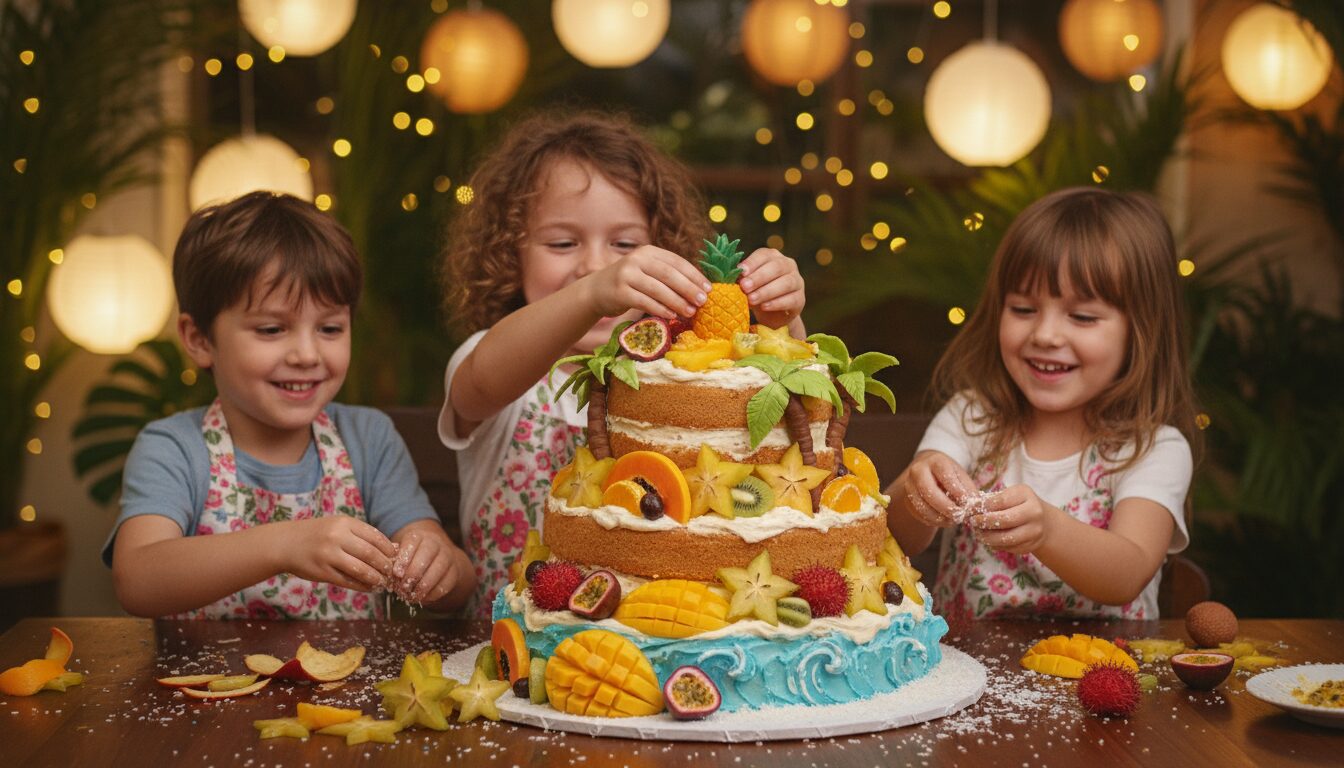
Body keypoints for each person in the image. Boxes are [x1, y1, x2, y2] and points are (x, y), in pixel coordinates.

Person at [439, 111, 808, 616]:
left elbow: (792, 410)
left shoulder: (687, 377)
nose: (596, 264)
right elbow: (478, 385)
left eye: (626, 245)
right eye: (562, 243)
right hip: (518, 659)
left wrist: (782, 320)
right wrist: (591, 294)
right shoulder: (495, 355)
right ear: (509, 253)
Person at [105, 191, 474, 618]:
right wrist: (284, 544)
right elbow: (137, 580)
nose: (307, 354)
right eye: (272, 329)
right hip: (208, 686)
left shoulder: (368, 440)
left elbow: (458, 582)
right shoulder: (172, 449)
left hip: (346, 684)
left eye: (330, 328)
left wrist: (441, 567)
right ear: (200, 340)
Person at [886, 187, 1198, 621]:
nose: (1046, 335)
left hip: (1105, 679)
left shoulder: (1155, 449)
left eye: (1083, 317)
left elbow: (1127, 574)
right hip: (972, 676)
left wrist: (1047, 530)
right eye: (1023, 308)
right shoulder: (971, 418)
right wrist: (916, 494)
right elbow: (895, 535)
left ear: (1141, 329)